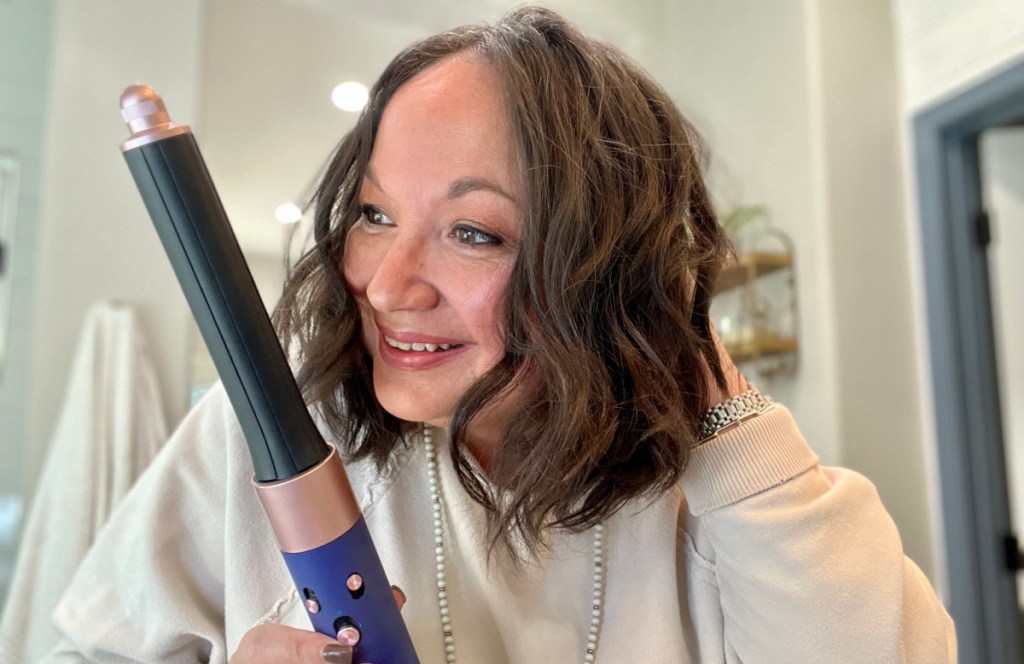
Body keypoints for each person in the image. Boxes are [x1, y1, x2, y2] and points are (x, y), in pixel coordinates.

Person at [40, 6, 955, 663]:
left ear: (597, 268)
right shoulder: (270, 435)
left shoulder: (711, 498)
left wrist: (703, 386)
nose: (388, 286)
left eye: (473, 233)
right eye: (372, 213)